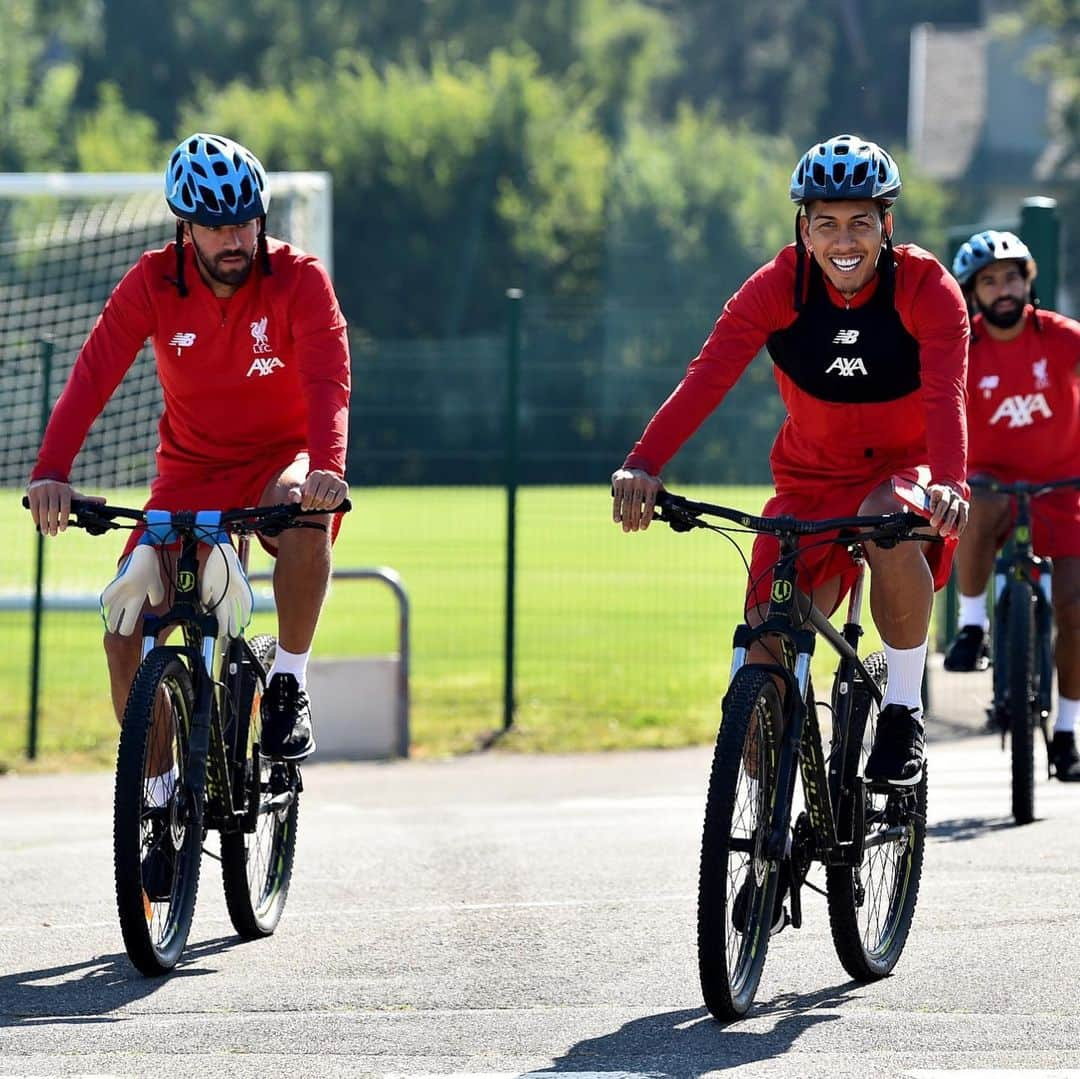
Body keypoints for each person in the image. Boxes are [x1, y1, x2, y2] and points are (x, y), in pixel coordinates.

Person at [611, 133, 971, 789]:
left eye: (861, 222)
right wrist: (644, 462)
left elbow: (947, 394)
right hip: (808, 482)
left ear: (886, 225)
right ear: (803, 229)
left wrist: (949, 481)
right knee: (764, 658)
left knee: (886, 518)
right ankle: (772, 850)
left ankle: (903, 710)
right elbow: (707, 377)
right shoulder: (776, 287)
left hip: (905, 473)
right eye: (826, 223)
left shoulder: (928, 288)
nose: (845, 241)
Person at [26, 132, 351, 764]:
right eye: (214, 226)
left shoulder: (300, 279)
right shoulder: (151, 281)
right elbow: (93, 373)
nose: (234, 240)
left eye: (244, 222)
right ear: (185, 226)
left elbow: (327, 379)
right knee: (123, 633)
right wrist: (51, 471)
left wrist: (327, 468)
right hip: (189, 476)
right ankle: (160, 795)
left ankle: (288, 679)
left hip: (278, 465)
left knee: (308, 510)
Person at [942, 229, 1080, 781]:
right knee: (977, 505)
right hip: (992, 482)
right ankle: (972, 626)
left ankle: (1068, 731)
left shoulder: (1060, 337)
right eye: (989, 281)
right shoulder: (962, 346)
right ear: (973, 293)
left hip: (1064, 487)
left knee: (1074, 611)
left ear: (1028, 282)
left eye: (1012, 277)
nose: (1003, 290)